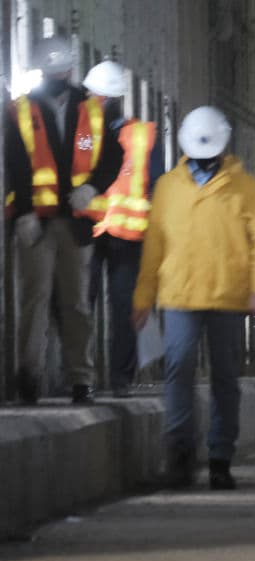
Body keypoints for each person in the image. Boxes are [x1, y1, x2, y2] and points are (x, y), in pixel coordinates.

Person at [132, 106, 255, 490]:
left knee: (225, 378)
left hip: (227, 297)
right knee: (178, 371)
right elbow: (154, 244)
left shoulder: (244, 187)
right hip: (179, 294)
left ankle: (219, 458)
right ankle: (180, 456)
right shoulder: (168, 187)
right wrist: (143, 296)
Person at [5, 36, 124, 405]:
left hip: (75, 222)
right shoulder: (21, 110)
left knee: (75, 304)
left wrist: (91, 188)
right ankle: (29, 376)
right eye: (51, 71)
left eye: (61, 70)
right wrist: (22, 212)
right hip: (36, 223)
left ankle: (80, 379)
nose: (58, 75)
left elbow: (109, 159)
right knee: (34, 301)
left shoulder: (90, 110)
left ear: (70, 69)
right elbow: (14, 163)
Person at [84, 60, 165, 397]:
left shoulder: (89, 135)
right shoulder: (142, 134)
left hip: (98, 232)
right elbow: (158, 184)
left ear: (99, 97)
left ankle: (84, 378)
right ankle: (118, 379)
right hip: (124, 236)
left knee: (84, 307)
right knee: (120, 308)